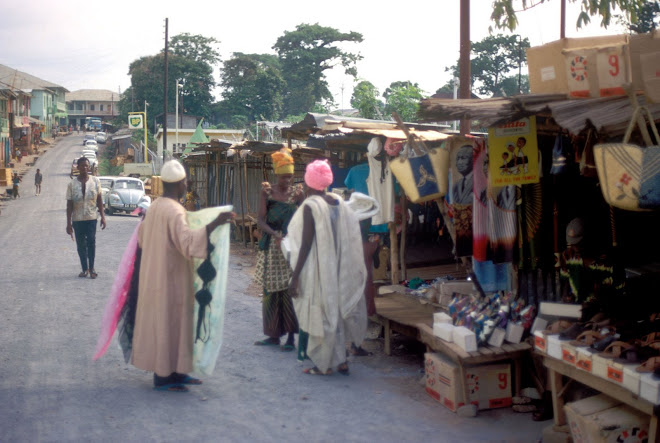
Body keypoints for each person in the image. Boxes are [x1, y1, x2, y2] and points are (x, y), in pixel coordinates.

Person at [131, 160, 235, 392]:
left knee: (168, 324)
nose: (187, 185)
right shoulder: (175, 211)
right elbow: (188, 244)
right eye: (185, 182)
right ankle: (164, 376)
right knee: (173, 323)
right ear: (178, 184)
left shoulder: (156, 207)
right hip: (171, 279)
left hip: (156, 278)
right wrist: (213, 224)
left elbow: (141, 238)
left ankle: (177, 372)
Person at [287, 160, 367, 375]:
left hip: (321, 269)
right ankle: (341, 361)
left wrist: (295, 277)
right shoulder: (338, 201)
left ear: (308, 182)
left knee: (322, 313)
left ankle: (323, 364)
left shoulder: (310, 207)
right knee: (338, 312)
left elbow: (304, 245)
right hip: (340, 266)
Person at [254, 148, 304, 351]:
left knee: (289, 290)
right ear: (277, 175)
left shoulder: (297, 193)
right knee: (271, 293)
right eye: (284, 177)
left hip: (291, 248)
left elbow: (303, 217)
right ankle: (273, 335)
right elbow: (260, 220)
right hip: (273, 251)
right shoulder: (267, 192)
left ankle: (291, 338)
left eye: (290, 177)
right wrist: (274, 234)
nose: (287, 181)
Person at [66, 157, 106, 279]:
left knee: (91, 242)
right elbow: (69, 205)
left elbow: (99, 200)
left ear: (89, 167)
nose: (84, 168)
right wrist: (68, 224)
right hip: (77, 219)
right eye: (82, 166)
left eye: (86, 166)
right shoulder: (72, 184)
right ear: (77, 168)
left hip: (91, 218)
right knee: (80, 245)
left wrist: (103, 217)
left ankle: (92, 268)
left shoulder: (95, 181)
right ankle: (84, 269)